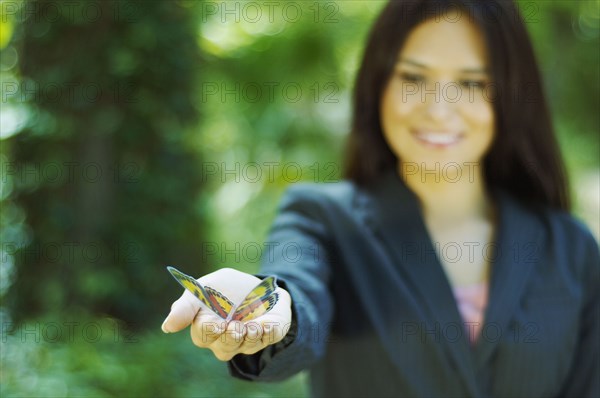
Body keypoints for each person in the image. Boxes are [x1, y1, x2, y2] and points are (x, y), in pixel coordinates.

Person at [161, 1, 599, 396]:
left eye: (471, 83)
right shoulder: (322, 219)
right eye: (413, 78)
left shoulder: (570, 247)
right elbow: (299, 297)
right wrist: (267, 307)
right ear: (378, 85)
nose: (438, 109)